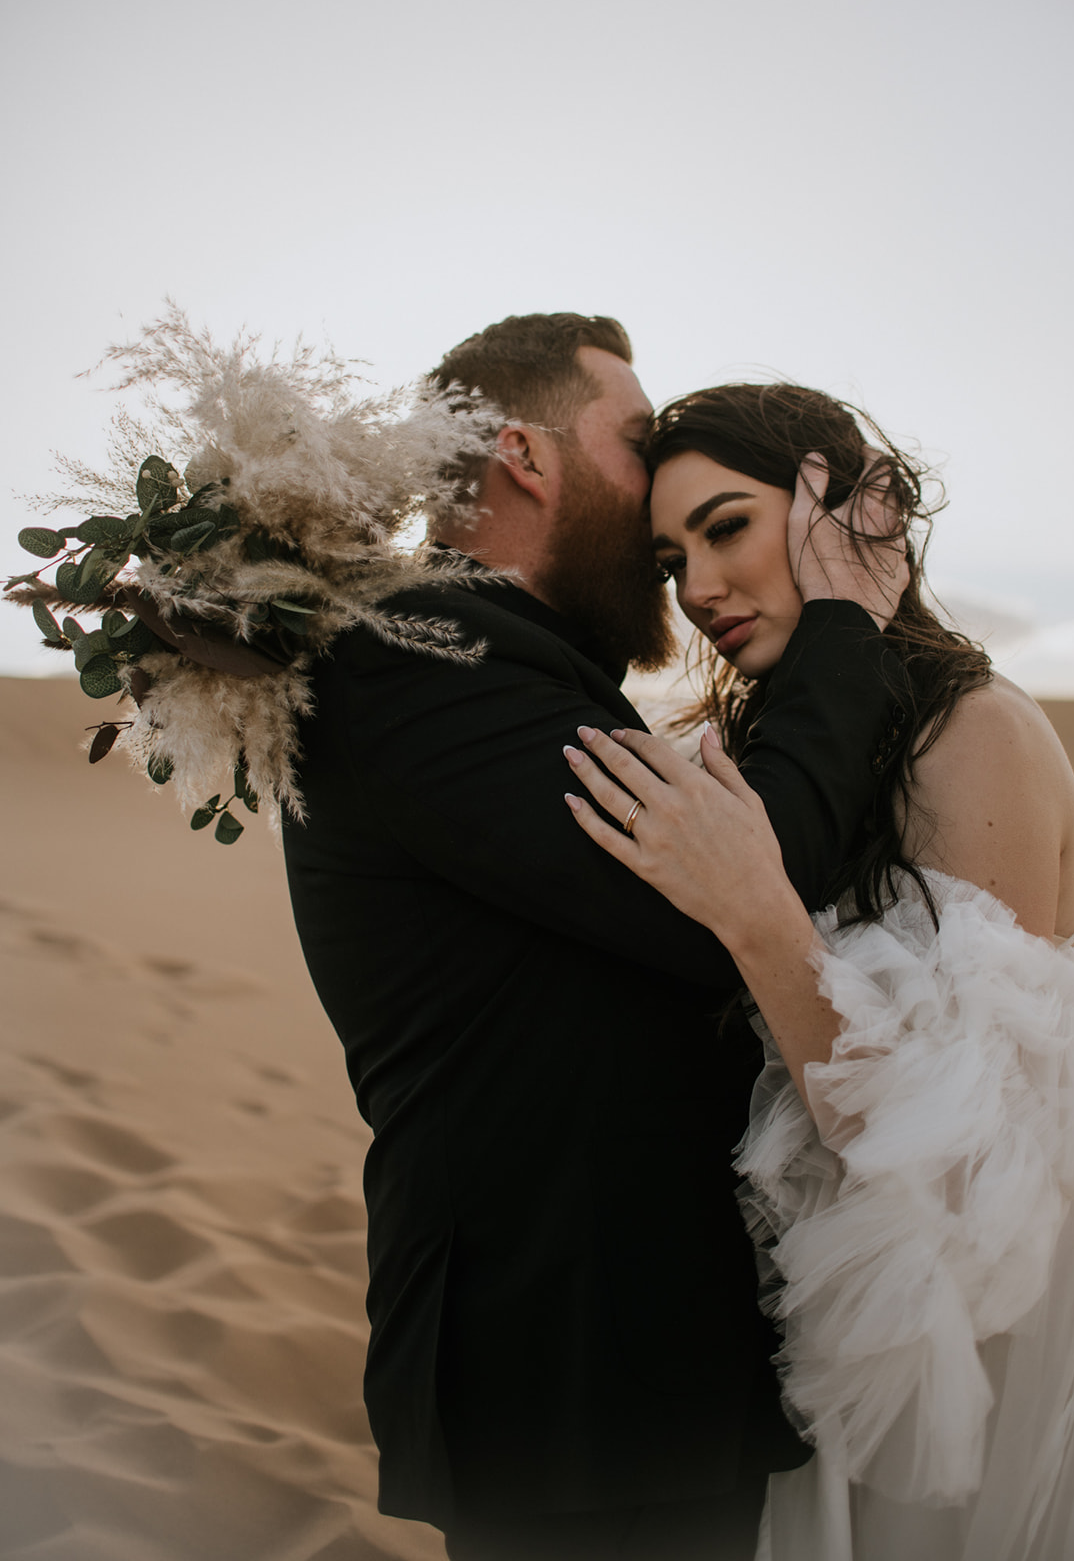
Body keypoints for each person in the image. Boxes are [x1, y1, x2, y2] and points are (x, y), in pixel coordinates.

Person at [281, 318, 913, 1560]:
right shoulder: (420, 660)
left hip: (638, 1373)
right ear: (523, 453)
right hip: (568, 1383)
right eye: (634, 441)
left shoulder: (518, 670)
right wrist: (844, 623)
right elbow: (738, 889)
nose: (660, 475)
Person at [561, 382, 1074, 1561]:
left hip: (991, 1337)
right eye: (669, 558)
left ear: (849, 511)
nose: (696, 589)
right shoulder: (790, 746)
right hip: (846, 1307)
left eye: (725, 526)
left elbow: (966, 1171)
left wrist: (757, 921)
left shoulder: (973, 735)